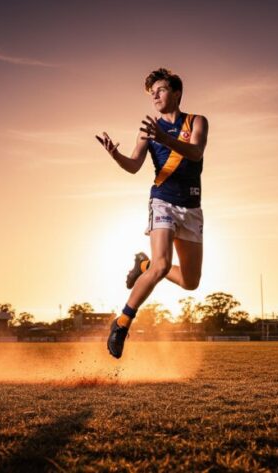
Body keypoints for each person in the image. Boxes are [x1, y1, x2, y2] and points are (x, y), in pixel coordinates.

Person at [95, 67, 209, 358]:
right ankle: (122, 323)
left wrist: (164, 137)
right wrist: (115, 155)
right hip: (163, 202)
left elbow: (196, 153)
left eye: (160, 90)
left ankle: (142, 266)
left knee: (190, 282)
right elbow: (133, 165)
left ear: (177, 92)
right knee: (162, 265)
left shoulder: (197, 121)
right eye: (152, 93)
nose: (155, 96)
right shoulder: (148, 130)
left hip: (191, 208)